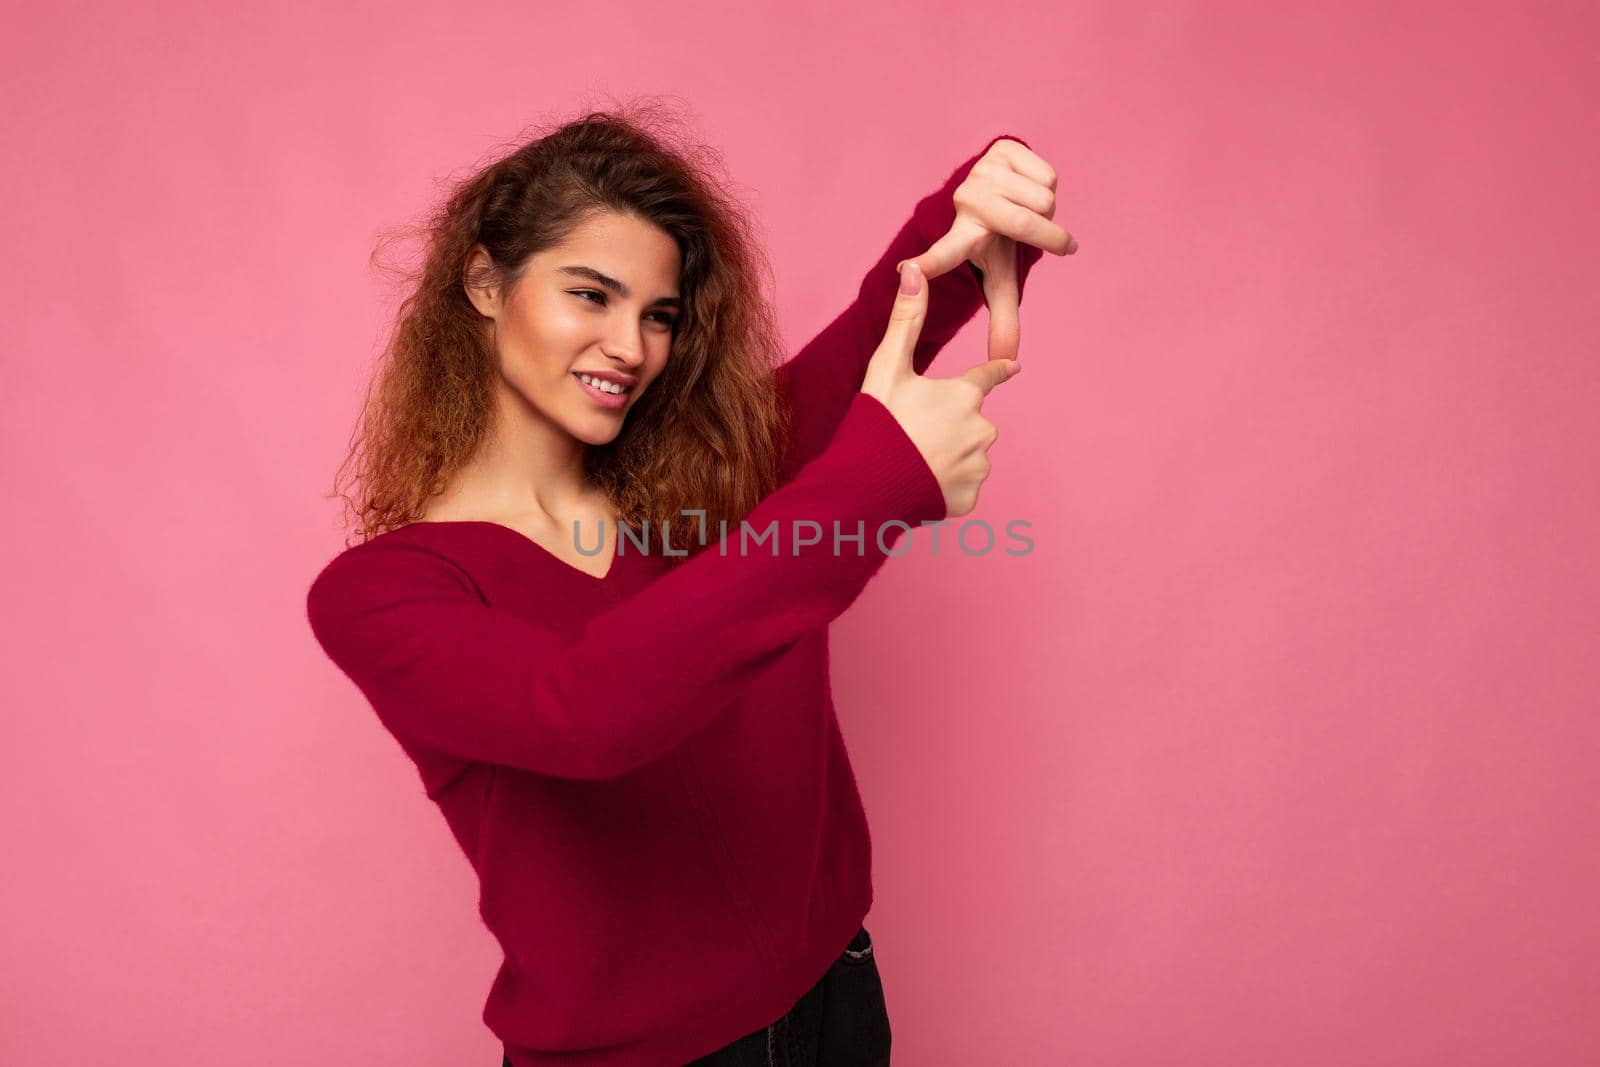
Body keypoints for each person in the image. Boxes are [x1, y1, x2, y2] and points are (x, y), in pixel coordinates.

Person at [305, 102, 1072, 1066]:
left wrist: (968, 226)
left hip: (839, 999)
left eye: (658, 313)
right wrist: (878, 482)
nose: (632, 346)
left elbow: (865, 345)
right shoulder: (385, 591)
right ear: (485, 282)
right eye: (591, 295)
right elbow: (583, 710)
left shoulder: (703, 482)